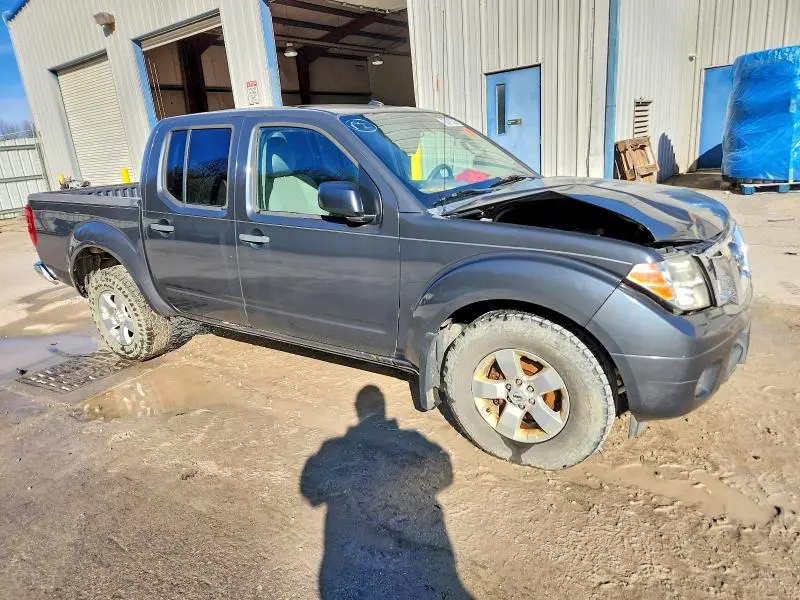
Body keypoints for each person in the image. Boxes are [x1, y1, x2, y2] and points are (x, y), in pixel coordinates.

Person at [300, 385, 473, 600]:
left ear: (358, 410)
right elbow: (445, 472)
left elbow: (310, 489)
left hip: (356, 569)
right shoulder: (412, 440)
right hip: (413, 568)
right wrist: (411, 484)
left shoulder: (335, 449)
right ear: (383, 408)